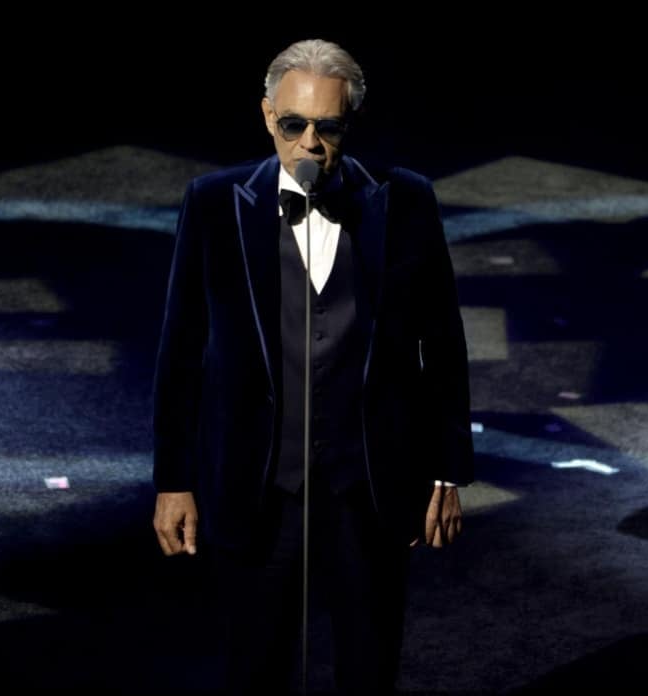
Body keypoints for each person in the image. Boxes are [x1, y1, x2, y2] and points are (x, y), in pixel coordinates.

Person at [152, 38, 474, 695]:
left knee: (370, 667)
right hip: (259, 484)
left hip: (370, 485)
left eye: (327, 128)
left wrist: (447, 469)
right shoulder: (213, 202)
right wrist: (174, 480)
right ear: (267, 115)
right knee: (255, 667)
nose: (309, 144)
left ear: (348, 125)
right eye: (293, 125)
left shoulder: (404, 199)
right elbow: (181, 350)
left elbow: (441, 342)